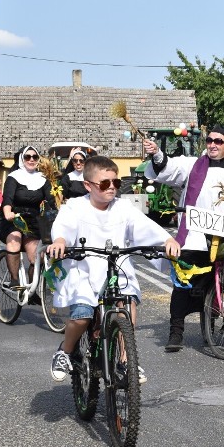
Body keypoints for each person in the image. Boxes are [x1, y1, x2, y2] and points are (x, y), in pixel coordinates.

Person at [45, 155, 181, 382]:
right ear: (88, 185)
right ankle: (64, 352)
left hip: (117, 270)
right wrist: (60, 241)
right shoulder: (75, 207)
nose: (112, 188)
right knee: (81, 317)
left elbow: (145, 227)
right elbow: (63, 227)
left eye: (115, 183)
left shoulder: (123, 207)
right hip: (84, 272)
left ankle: (128, 361)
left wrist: (167, 241)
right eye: (105, 183)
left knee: (126, 307)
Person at [144, 126, 224, 352]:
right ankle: (176, 331)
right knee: (184, 285)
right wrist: (157, 154)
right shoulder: (192, 165)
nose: (212, 145)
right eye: (209, 140)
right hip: (195, 236)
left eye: (218, 141)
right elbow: (168, 168)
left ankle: (216, 323)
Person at [0, 146, 55, 289]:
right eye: (28, 157)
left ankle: (33, 289)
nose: (31, 160)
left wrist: (58, 213)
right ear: (22, 159)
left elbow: (51, 201)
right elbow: (7, 199)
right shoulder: (13, 177)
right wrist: (8, 212)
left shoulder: (42, 179)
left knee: (36, 256)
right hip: (12, 218)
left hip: (32, 220)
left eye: (34, 157)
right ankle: (14, 280)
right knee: (15, 237)